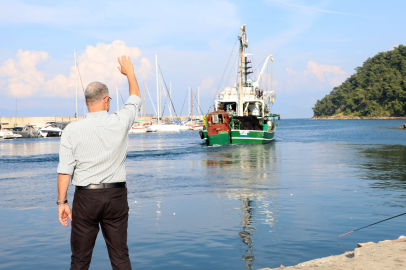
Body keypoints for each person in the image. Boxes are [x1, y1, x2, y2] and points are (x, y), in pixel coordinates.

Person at [56, 55, 141, 270]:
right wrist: (130, 73)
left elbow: (65, 171)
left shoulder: (72, 130)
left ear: (86, 102)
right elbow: (135, 98)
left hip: (86, 198)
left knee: (80, 259)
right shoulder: (120, 122)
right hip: (116, 196)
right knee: (120, 257)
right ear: (106, 100)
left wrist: (62, 203)